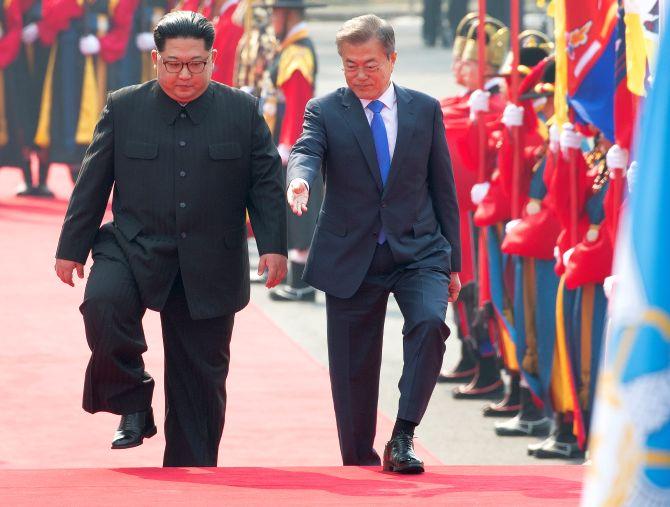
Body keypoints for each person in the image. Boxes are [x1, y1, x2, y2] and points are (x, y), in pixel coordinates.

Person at [54, 10, 287, 467]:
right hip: (133, 245)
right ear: (156, 60)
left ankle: (191, 473)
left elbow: (265, 183)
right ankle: (133, 401)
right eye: (174, 63)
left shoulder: (241, 111)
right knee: (103, 303)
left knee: (199, 380)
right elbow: (92, 181)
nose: (185, 74)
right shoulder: (125, 106)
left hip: (210, 258)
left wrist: (275, 245)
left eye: (196, 64)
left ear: (214, 59)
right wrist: (70, 247)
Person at [287, 14, 461, 473]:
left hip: (418, 249)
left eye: (370, 65)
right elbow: (306, 150)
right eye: (349, 66)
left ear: (392, 58)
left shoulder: (424, 109)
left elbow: (443, 188)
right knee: (352, 371)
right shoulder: (325, 110)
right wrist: (300, 180)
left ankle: (402, 435)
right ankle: (357, 462)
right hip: (351, 253)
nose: (360, 75)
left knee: (429, 325)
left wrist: (454, 262)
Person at [258, 0, 324, 302]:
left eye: (275, 13)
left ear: (287, 14)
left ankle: (301, 283)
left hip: (293, 143)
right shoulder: (290, 46)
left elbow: (298, 101)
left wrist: (289, 144)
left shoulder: (297, 52)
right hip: (285, 137)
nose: (272, 19)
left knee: (298, 211)